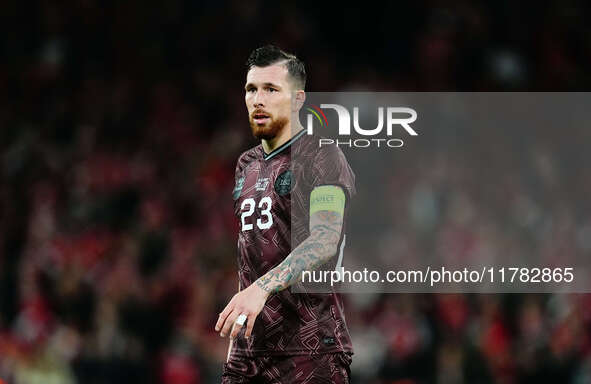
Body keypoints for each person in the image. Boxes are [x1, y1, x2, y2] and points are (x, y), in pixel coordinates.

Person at [216, 45, 356, 383]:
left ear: (297, 99)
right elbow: (250, 253)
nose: (258, 99)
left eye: (271, 89)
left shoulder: (321, 154)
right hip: (249, 353)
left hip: (309, 351)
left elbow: (324, 240)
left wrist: (260, 289)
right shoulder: (245, 165)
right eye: (251, 89)